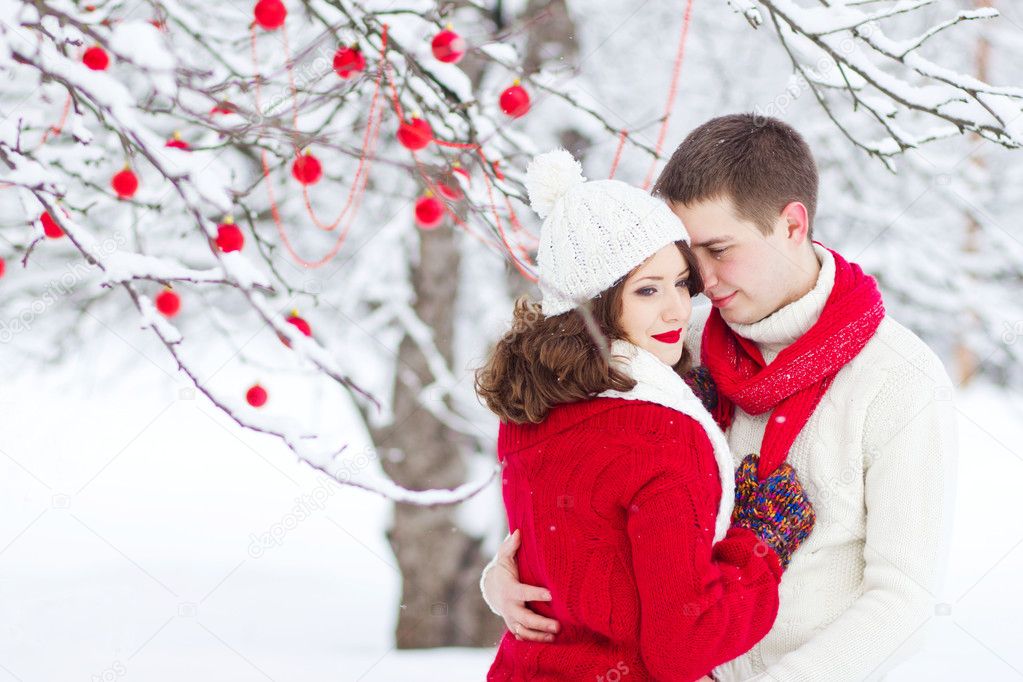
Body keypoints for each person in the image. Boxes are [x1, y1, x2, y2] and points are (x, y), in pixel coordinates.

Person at [481, 116, 958, 681]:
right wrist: (511, 577)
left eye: (718, 249)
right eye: (686, 261)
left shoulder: (898, 378)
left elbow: (901, 601)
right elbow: (574, 488)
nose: (700, 282)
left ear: (791, 225)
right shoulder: (669, 340)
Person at [475, 149, 816, 681]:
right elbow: (681, 644)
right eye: (647, 290)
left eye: (682, 282)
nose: (679, 309)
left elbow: (565, 560)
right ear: (597, 301)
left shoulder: (528, 410)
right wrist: (759, 548)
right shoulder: (667, 437)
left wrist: (496, 578)